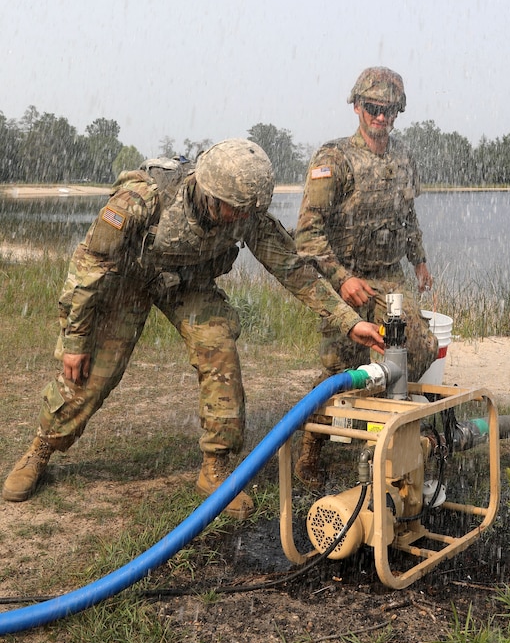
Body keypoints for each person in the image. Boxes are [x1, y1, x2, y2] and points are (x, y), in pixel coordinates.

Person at [2, 139, 384, 518]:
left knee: (220, 352)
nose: (240, 218)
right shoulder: (141, 200)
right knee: (91, 374)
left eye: (247, 211)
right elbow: (89, 269)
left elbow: (294, 269)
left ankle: (215, 470)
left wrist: (348, 321)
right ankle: (41, 448)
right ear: (210, 193)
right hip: (127, 279)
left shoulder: (245, 209)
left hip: (186, 283)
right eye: (233, 210)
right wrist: (76, 339)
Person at [293, 67, 437, 487]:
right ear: (357, 107)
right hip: (345, 283)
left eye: (389, 110)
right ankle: (310, 451)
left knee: (415, 347)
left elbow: (409, 217)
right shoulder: (334, 159)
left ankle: (377, 441)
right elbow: (308, 233)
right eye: (373, 108)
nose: (381, 117)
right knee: (339, 371)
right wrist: (340, 279)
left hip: (388, 279)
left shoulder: (403, 158)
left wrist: (420, 261)